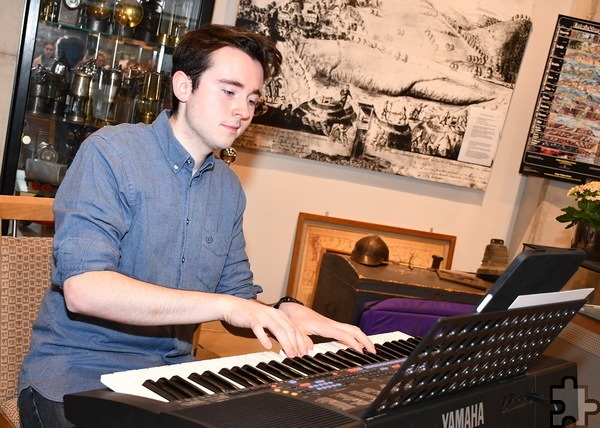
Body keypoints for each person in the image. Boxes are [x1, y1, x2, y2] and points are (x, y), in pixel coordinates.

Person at [18, 24, 375, 427]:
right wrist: (227, 305)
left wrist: (287, 313)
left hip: (170, 381)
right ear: (184, 87)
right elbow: (85, 291)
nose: (243, 111)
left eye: (252, 99)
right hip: (78, 378)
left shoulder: (227, 188)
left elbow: (236, 300)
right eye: (229, 91)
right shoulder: (111, 153)